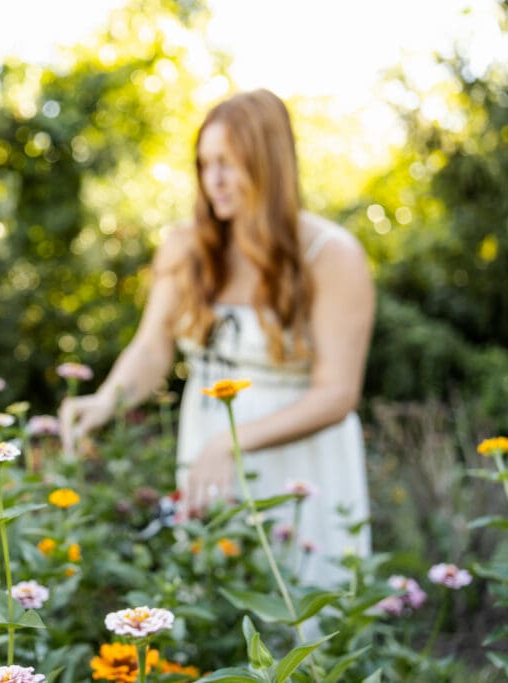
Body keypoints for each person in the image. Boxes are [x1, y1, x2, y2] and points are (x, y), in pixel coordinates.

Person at [58, 89, 373, 587]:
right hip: (207, 450)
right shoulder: (187, 245)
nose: (214, 181)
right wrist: (105, 401)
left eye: (229, 163)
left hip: (300, 466)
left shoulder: (332, 254)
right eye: (205, 165)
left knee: (307, 618)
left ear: (269, 164)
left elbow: (337, 393)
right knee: (212, 605)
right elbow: (152, 346)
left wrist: (232, 442)